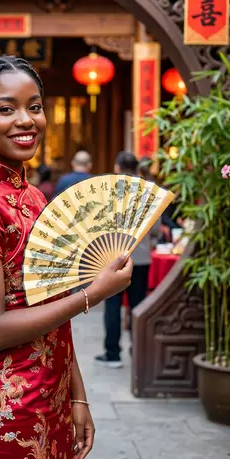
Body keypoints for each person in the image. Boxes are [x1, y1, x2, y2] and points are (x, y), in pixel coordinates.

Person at [0, 55, 133, 459]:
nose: (26, 120)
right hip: (3, 409)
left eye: (35, 106)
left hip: (49, 393)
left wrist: (76, 394)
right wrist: (93, 294)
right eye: (6, 109)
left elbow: (53, 305)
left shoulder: (32, 197)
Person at [94, 151, 160, 369]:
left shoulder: (112, 190)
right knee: (137, 304)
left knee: (112, 305)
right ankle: (138, 350)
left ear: (117, 167)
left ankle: (113, 354)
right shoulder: (148, 191)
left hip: (114, 256)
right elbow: (156, 228)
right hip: (141, 257)